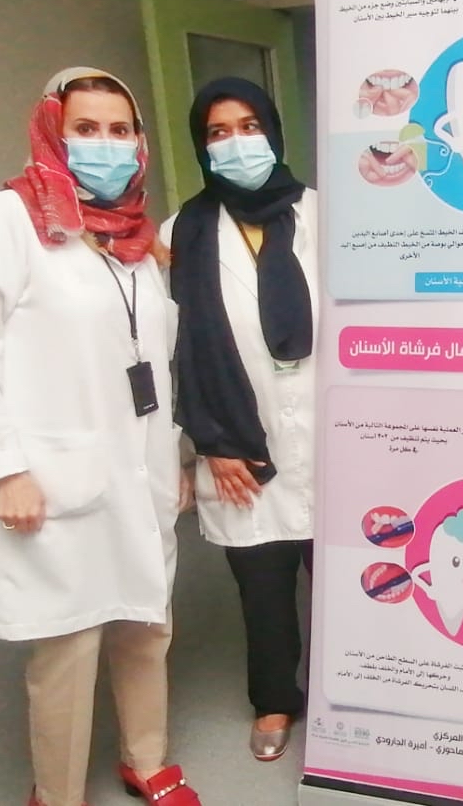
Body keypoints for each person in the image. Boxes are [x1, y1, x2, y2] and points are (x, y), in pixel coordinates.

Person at [0, 68, 200, 806]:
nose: (104, 145)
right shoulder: (8, 219)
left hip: (140, 466)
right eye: (86, 129)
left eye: (119, 130)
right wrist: (5, 468)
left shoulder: (136, 236)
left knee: (147, 621)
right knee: (69, 642)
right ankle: (56, 793)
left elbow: (156, 361)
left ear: (140, 142)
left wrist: (175, 457)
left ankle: (145, 759)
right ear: (53, 130)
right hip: (53, 473)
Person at [163, 77, 318, 762]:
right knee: (261, 582)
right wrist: (212, 440)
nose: (236, 142)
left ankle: (353, 694)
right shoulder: (181, 231)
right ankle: (274, 698)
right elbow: (177, 348)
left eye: (249, 126)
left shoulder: (323, 214)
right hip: (236, 442)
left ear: (273, 132)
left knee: (347, 577)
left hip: (332, 432)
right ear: (202, 145)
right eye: (218, 132)